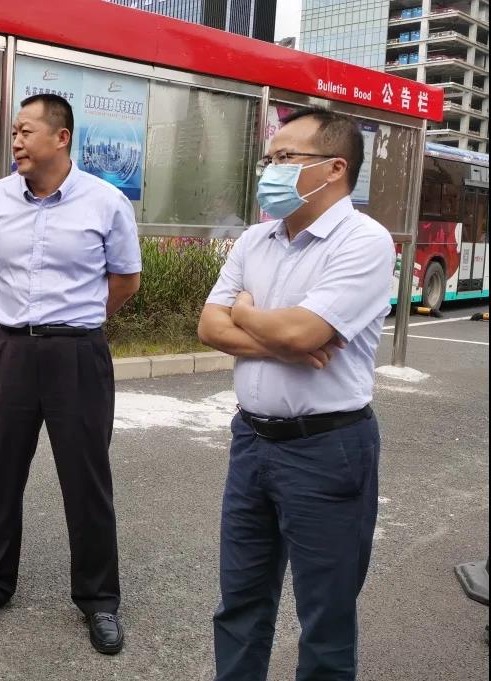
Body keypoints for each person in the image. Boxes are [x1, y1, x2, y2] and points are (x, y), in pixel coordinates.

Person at [197, 107, 395, 680]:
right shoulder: (255, 240)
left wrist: (246, 314)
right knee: (240, 603)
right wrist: (281, 341)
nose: (271, 170)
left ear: (335, 168)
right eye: (270, 158)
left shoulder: (364, 241)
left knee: (325, 618)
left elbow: (303, 332)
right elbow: (209, 327)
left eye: (285, 158)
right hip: (251, 441)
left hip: (326, 449)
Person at [0, 93, 141, 654]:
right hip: (12, 351)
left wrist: (74, 320)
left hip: (77, 356)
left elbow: (125, 280)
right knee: (0, 473)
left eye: (26, 131)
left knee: (86, 480)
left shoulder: (105, 202)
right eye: (14, 132)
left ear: (61, 138)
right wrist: (23, 314)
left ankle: (98, 599)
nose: (16, 141)